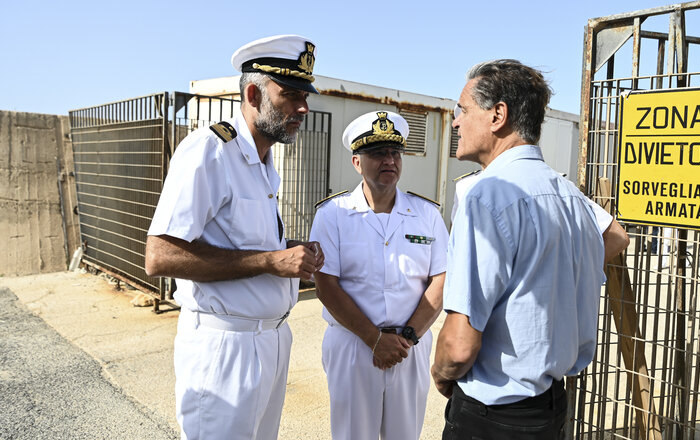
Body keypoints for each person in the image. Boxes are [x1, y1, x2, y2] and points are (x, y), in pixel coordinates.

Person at [431, 59, 630, 439]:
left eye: (463, 110)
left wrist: (442, 374)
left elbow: (458, 346)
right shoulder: (568, 194)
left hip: (492, 415)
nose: (455, 121)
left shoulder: (486, 196)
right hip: (549, 408)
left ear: (497, 116)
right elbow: (616, 236)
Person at [144, 34, 325, 440]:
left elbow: (242, 241)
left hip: (271, 341)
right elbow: (160, 256)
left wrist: (289, 252)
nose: (303, 108)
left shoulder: (263, 159)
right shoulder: (209, 150)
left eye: (306, 97)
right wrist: (269, 261)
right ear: (253, 93)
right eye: (291, 95)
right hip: (225, 350)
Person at [310, 110, 449, 440]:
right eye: (377, 153)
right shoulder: (333, 215)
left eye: (395, 152)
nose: (389, 160)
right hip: (353, 345)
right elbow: (326, 285)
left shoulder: (427, 215)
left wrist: (408, 337)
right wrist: (374, 339)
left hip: (408, 345)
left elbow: (441, 278)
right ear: (357, 162)